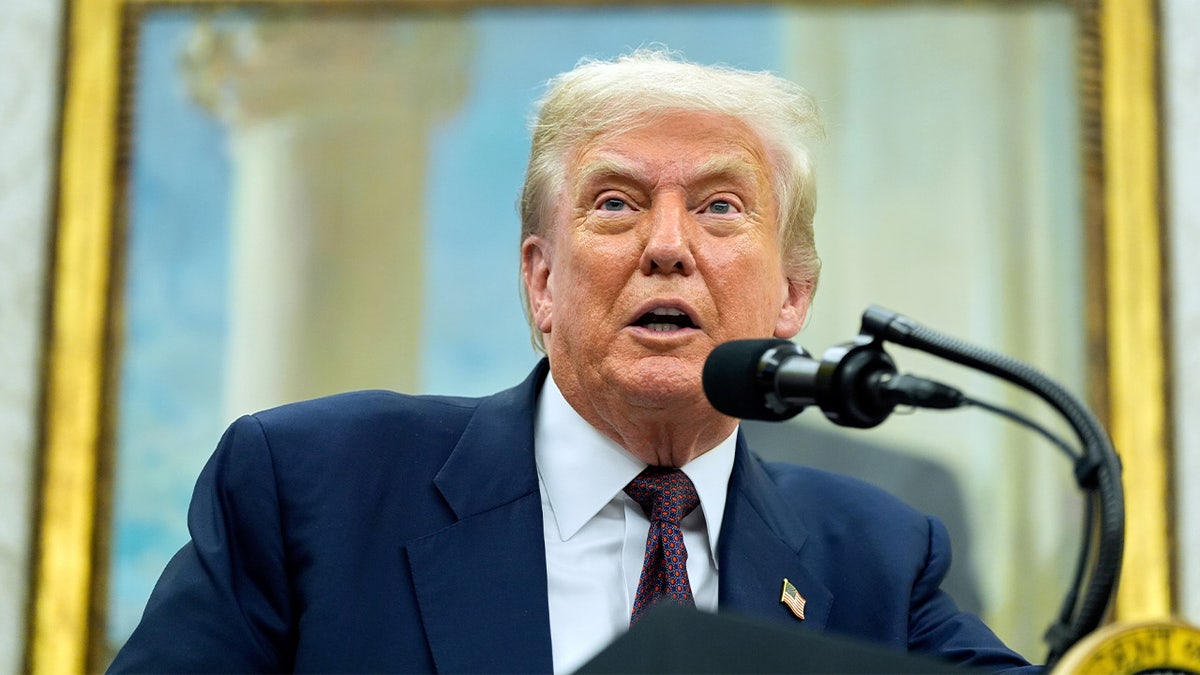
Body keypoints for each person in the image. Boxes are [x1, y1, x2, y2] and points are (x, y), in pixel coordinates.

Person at [109, 49, 1036, 673]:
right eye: (616, 205)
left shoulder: (877, 556)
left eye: (720, 207)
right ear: (541, 281)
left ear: (792, 295)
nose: (668, 245)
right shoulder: (308, 488)